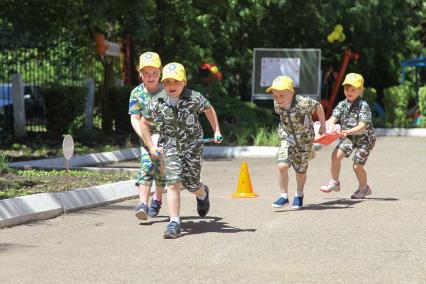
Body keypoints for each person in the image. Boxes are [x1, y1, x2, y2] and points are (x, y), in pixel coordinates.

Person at [141, 62, 222, 239]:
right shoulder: (157, 101)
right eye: (167, 82)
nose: (171, 86)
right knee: (173, 182)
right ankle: (174, 222)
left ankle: (203, 194)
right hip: (170, 146)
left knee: (192, 184)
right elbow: (143, 123)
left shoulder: (194, 97)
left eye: (176, 82)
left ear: (184, 82)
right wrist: (151, 146)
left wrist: (216, 131)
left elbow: (208, 109)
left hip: (192, 147)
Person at [268, 76, 326, 209]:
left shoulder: (303, 103)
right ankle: (283, 195)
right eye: (275, 96)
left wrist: (323, 126)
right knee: (282, 166)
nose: (278, 99)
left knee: (300, 171)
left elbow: (319, 107)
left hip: (304, 141)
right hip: (286, 138)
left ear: (291, 92)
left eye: (282, 95)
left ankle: (299, 194)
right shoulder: (277, 104)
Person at [320, 73, 376, 199]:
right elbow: (331, 120)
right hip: (350, 137)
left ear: (361, 90)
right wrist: (322, 128)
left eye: (353, 89)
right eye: (346, 89)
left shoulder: (363, 106)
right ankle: (334, 182)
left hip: (365, 140)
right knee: (335, 156)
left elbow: (362, 126)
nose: (349, 92)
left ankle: (364, 188)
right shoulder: (342, 105)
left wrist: (347, 132)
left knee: (357, 166)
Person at [128, 51, 166, 220]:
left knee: (161, 170)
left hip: (166, 137)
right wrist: (145, 138)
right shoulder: (136, 93)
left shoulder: (168, 90)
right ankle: (143, 203)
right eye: (146, 73)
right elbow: (135, 118)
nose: (150, 77)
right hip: (146, 136)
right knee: (146, 166)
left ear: (160, 72)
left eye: (154, 73)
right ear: (140, 74)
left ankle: (157, 200)